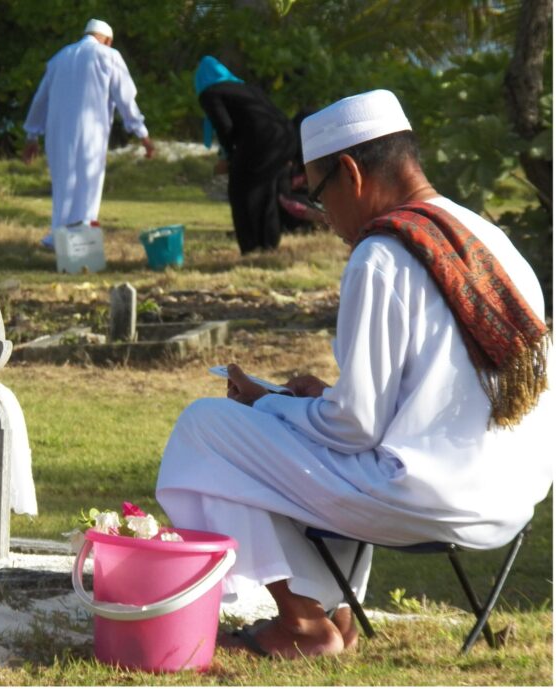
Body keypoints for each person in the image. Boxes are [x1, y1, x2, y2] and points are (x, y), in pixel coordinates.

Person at [155, 89, 552, 659]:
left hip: (424, 498)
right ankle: (337, 613)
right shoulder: (487, 239)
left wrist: (268, 404)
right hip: (511, 499)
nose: (326, 220)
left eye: (318, 196)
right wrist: (309, 402)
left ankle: (302, 624)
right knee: (292, 431)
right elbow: (430, 397)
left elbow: (355, 428)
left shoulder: (382, 254)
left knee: (205, 429)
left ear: (351, 173)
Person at [23, 19, 154, 249]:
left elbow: (40, 99)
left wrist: (32, 136)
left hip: (58, 134)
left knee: (63, 186)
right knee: (88, 187)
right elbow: (126, 99)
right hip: (91, 132)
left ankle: (59, 238)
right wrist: (142, 133)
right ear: (108, 40)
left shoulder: (59, 57)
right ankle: (79, 243)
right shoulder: (109, 56)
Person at [196, 55, 298, 253]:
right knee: (266, 190)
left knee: (241, 191)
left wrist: (229, 157)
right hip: (286, 138)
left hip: (263, 141)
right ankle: (268, 243)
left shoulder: (210, 92)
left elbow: (224, 127)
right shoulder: (245, 88)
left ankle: (252, 246)